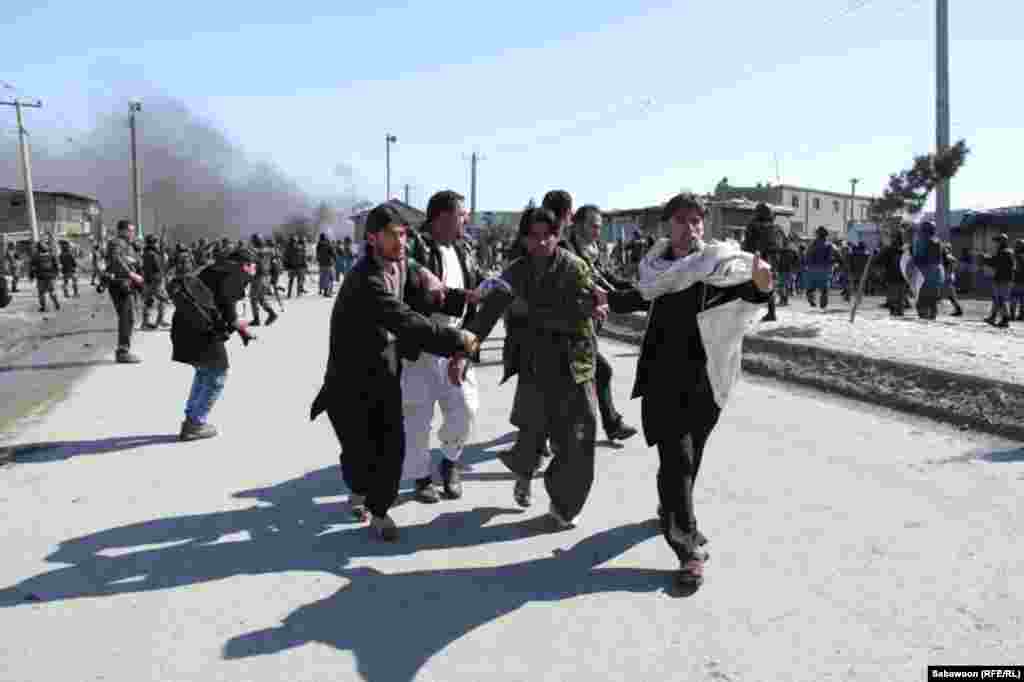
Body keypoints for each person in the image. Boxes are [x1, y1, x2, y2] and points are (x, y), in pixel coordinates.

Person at [310, 203, 480, 541]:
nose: (401, 242)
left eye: (403, 235)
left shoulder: (402, 265)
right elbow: (405, 321)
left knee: (391, 446)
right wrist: (457, 340)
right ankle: (359, 489)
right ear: (372, 239)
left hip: (385, 373)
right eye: (392, 236)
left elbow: (431, 296)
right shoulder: (366, 280)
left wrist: (468, 297)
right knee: (361, 452)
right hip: (349, 381)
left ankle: (379, 511)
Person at [631, 193, 773, 589]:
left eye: (696, 220)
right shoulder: (654, 268)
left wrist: (762, 285)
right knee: (677, 460)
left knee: (689, 459)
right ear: (666, 225)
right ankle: (687, 547)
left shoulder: (720, 264)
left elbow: (749, 293)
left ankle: (671, 508)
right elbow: (637, 296)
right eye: (681, 220)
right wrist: (602, 299)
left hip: (707, 377)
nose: (690, 227)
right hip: (662, 378)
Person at [458, 205, 607, 529]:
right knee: (531, 431)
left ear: (558, 237)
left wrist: (532, 311)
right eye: (534, 237)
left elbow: (585, 308)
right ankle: (525, 475)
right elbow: (486, 316)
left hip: (574, 364)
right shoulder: (516, 272)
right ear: (524, 240)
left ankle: (563, 504)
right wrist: (464, 352)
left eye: (548, 236)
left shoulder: (574, 268)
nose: (541, 243)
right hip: (535, 363)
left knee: (578, 439)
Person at [401, 190, 486, 502]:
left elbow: (474, 294)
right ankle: (421, 476)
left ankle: (450, 462)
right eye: (461, 214)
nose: (466, 219)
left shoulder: (465, 249)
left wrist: (468, 344)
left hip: (456, 340)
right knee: (417, 415)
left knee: (465, 408)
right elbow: (399, 266)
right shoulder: (415, 246)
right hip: (422, 344)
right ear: (441, 217)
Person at [562, 202, 645, 441]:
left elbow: (606, 278)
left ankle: (610, 425)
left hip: (586, 330)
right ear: (577, 225)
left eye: (600, 226)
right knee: (593, 376)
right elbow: (576, 289)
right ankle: (538, 440)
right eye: (593, 226)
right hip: (567, 330)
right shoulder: (566, 250)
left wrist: (635, 290)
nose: (598, 231)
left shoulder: (591, 250)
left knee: (589, 378)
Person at [172, 246, 259, 440]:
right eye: (254, 266)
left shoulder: (214, 269)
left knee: (205, 372)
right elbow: (228, 308)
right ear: (245, 265)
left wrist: (238, 328)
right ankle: (194, 424)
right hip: (202, 332)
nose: (255, 270)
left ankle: (192, 420)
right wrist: (241, 328)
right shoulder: (235, 274)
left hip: (185, 327)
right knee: (217, 374)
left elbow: (218, 302)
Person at [104, 219, 145, 363]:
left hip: (127, 284)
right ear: (122, 231)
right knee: (126, 317)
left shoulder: (129, 245)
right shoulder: (116, 243)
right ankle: (122, 351)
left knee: (129, 317)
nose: (132, 233)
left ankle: (124, 349)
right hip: (120, 284)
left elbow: (133, 261)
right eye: (130, 230)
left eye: (133, 231)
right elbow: (116, 260)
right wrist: (131, 274)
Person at [742, 203, 780, 321]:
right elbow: (776, 245)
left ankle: (749, 314)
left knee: (750, 286)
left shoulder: (752, 225)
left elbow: (748, 243)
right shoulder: (774, 227)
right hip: (768, 259)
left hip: (755, 258)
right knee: (768, 286)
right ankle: (772, 313)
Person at [982, 233, 1016, 328]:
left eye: (998, 241)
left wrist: (985, 258)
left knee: (1001, 300)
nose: (996, 243)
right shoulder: (1007, 251)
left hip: (1003, 279)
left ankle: (1005, 319)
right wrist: (987, 258)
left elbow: (995, 263)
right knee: (997, 299)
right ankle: (993, 317)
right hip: (1004, 279)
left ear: (1002, 242)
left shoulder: (1004, 252)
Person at [912, 222, 944, 320]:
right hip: (936, 273)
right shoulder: (937, 241)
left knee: (922, 299)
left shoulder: (922, 241)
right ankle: (931, 317)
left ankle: (925, 318)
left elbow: (918, 258)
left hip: (925, 272)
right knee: (932, 299)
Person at [141, 234, 171, 329]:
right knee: (160, 300)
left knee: (150, 301)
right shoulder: (152, 254)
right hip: (154, 280)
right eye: (157, 242)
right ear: (153, 243)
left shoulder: (148, 252)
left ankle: (151, 321)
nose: (158, 244)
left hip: (151, 280)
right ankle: (151, 322)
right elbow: (159, 267)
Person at [248, 235, 278, 326]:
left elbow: (252, 267)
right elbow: (274, 264)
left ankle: (256, 319)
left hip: (258, 277)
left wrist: (245, 270)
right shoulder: (269, 251)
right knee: (261, 298)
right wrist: (274, 278)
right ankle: (271, 313)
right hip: (267, 276)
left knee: (253, 298)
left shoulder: (254, 252)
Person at [805, 227, 837, 309]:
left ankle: (811, 299)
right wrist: (835, 263)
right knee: (824, 289)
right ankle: (823, 305)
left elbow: (807, 256)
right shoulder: (829, 245)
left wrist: (807, 265)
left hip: (811, 269)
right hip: (824, 269)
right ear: (825, 235)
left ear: (817, 234)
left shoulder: (811, 245)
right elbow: (833, 256)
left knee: (810, 288)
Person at [29, 241, 61, 313]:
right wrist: (56, 275)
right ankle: (56, 304)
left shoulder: (35, 257)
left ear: (38, 248)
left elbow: (32, 268)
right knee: (52, 291)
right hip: (51, 277)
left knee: (41, 293)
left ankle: (43, 307)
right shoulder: (51, 255)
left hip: (41, 278)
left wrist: (31, 276)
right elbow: (56, 265)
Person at [1011, 239, 1024, 321]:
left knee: (1015, 298)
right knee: (1022, 299)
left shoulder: (1017, 256)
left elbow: (1016, 268)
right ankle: (1021, 315)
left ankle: (1013, 315)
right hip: (1019, 280)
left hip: (1018, 280)